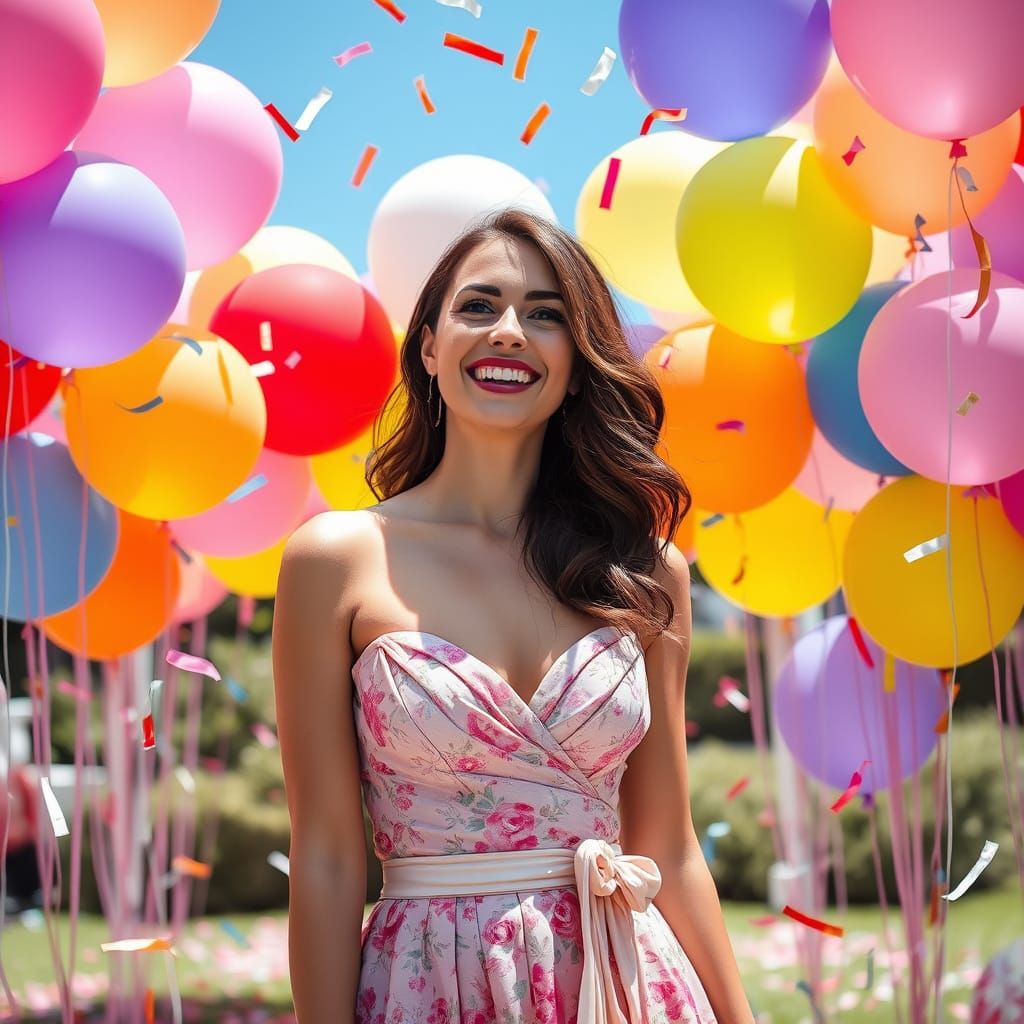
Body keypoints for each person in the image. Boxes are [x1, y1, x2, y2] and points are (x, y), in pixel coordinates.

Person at [272, 208, 756, 1024]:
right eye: (478, 306)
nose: (508, 330)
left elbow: (667, 848)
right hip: (431, 986)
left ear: (577, 366)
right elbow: (325, 857)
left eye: (545, 314)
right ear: (430, 349)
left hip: (628, 985)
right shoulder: (337, 559)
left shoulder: (647, 572)